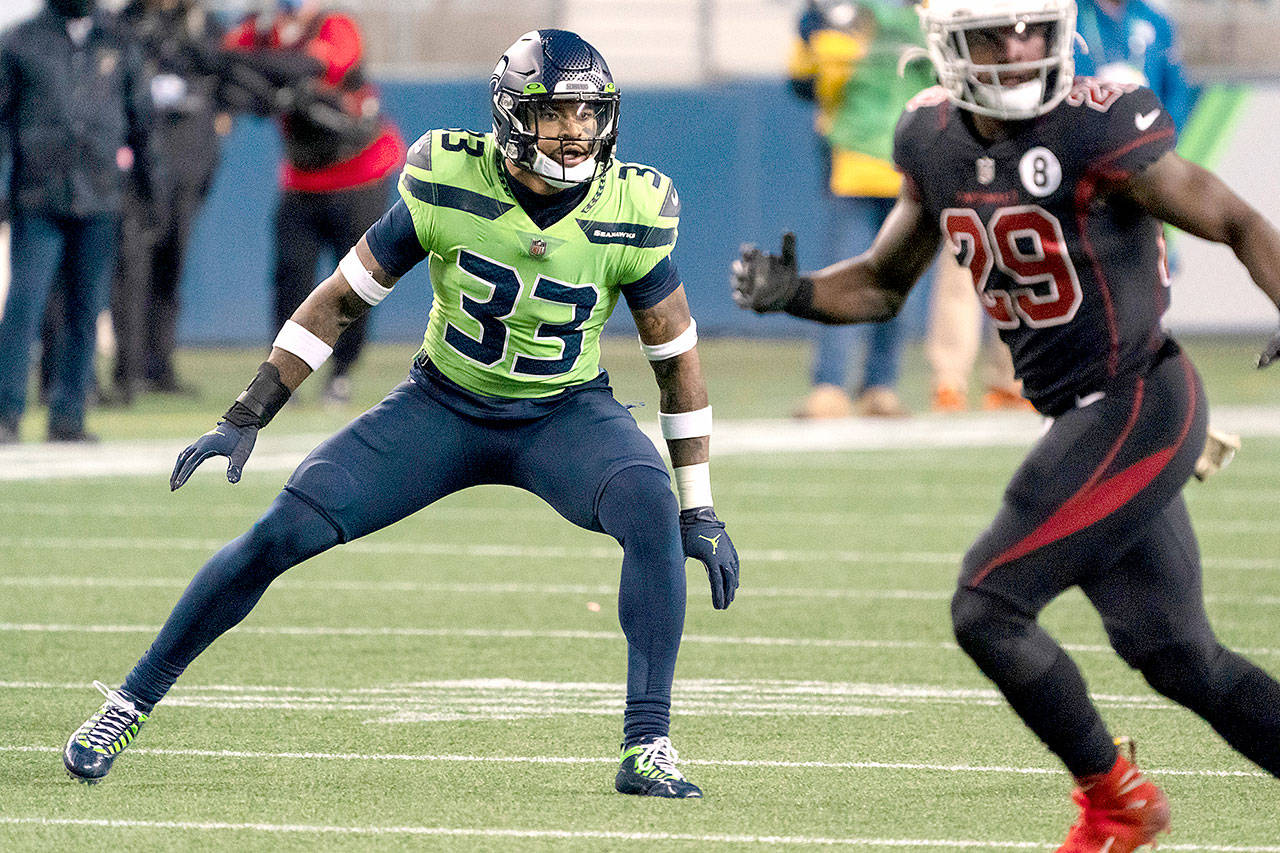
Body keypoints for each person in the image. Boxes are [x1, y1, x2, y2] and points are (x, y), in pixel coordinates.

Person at [63, 29, 739, 800]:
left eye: (589, 113)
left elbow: (675, 363)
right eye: (557, 112)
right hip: (442, 405)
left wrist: (702, 506)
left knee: (652, 505)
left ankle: (647, 745)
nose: (577, 130)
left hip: (564, 413)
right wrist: (250, 408)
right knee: (281, 532)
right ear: (513, 113)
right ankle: (130, 700)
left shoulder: (635, 204)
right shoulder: (448, 175)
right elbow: (343, 297)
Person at [733, 0, 1280, 847]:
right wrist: (796, 293)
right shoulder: (930, 138)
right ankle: (1121, 800)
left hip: (1141, 399)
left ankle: (1117, 802)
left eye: (1033, 27)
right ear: (949, 46)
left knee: (988, 605)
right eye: (996, 31)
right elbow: (883, 281)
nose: (1020, 46)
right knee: (1181, 659)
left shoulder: (1096, 126)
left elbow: (1238, 220)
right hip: (1087, 412)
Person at [223, 0, 405, 407]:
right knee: (290, 277)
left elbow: (307, 67)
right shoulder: (262, 29)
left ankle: (341, 373)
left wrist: (252, 67)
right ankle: (282, 373)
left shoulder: (335, 25)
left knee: (357, 282)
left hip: (359, 171)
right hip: (302, 176)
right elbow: (222, 58)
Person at [0, 0, 155, 443]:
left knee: (85, 310)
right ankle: (6, 411)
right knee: (24, 306)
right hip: (39, 194)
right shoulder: (21, 41)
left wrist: (151, 189)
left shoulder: (119, 40)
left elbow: (141, 120)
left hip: (101, 195)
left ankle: (68, 414)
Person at [787, 0, 933, 418]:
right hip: (857, 160)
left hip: (908, 166)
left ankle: (878, 385)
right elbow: (803, 81)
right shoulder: (839, 10)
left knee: (894, 282)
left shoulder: (926, 14)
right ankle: (832, 383)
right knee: (846, 275)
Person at [104, 0, 228, 405]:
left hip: (188, 165)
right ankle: (130, 367)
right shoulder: (126, 24)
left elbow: (220, 80)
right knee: (132, 270)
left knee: (172, 269)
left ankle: (161, 364)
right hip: (139, 170)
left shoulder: (202, 25)